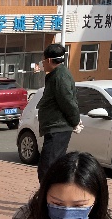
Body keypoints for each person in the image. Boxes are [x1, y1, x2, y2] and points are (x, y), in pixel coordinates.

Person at [36, 44, 83, 183]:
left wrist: (75, 121)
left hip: (58, 127)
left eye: (43, 60)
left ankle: (49, 195)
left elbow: (67, 101)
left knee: (47, 168)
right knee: (53, 167)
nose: (42, 64)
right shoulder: (56, 75)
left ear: (49, 60)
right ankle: (51, 194)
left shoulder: (60, 77)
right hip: (54, 127)